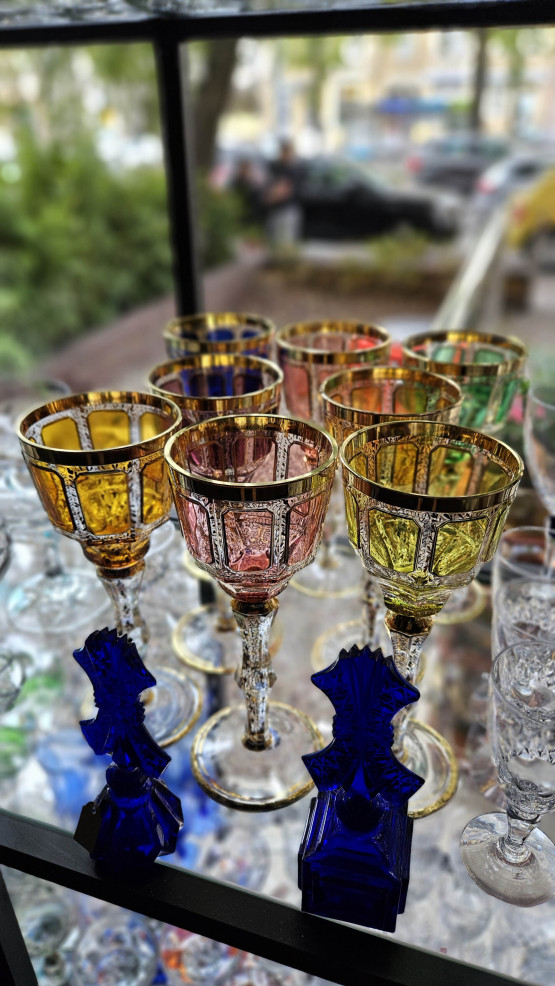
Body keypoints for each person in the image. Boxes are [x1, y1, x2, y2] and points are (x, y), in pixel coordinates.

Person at [264, 139, 304, 254]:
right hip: (275, 210)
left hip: (288, 210)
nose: (284, 154)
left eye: (287, 151)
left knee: (286, 244)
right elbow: (268, 187)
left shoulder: (295, 169)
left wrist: (271, 197)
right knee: (273, 244)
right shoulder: (276, 167)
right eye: (283, 151)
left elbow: (285, 191)